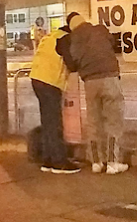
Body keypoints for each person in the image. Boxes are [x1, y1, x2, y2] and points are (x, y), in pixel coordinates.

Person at [61, 12, 128, 174]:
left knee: (93, 122)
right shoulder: (99, 30)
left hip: (89, 82)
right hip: (109, 78)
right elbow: (113, 43)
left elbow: (72, 64)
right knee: (113, 121)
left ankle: (96, 162)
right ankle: (113, 162)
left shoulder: (72, 39)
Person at [29, 24, 80, 174]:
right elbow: (71, 64)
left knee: (47, 122)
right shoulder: (64, 39)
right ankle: (59, 162)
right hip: (50, 82)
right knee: (55, 122)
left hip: (37, 79)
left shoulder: (50, 37)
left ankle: (48, 160)